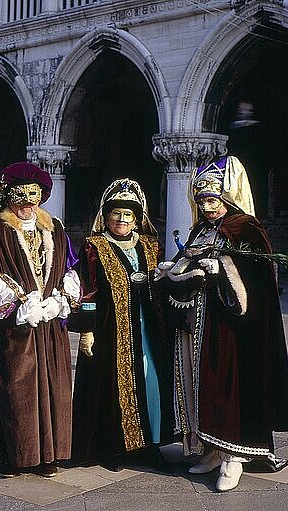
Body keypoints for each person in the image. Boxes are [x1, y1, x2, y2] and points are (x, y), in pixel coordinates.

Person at [156, 155, 288, 491]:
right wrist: (171, 270)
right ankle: (213, 449)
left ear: (225, 198)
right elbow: (185, 260)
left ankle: (235, 456)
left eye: (212, 200)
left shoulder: (245, 227)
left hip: (231, 328)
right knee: (200, 386)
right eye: (202, 201)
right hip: (195, 325)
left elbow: (259, 278)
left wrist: (221, 270)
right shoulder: (201, 229)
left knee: (227, 386)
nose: (207, 207)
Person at [0, 161, 81, 478]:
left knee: (55, 388)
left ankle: (51, 455)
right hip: (16, 330)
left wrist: (60, 299)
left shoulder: (55, 229)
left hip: (51, 328)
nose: (28, 204)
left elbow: (70, 269)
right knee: (17, 390)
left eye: (34, 196)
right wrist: (22, 306)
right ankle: (18, 455)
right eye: (21, 197)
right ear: (7, 197)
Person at [70, 178, 174, 472]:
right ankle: (112, 447)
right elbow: (86, 289)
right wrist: (87, 330)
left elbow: (162, 285)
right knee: (110, 386)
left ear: (138, 218)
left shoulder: (151, 246)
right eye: (116, 212)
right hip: (108, 331)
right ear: (105, 215)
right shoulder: (94, 247)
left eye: (129, 214)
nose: (121, 219)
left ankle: (150, 446)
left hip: (148, 330)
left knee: (151, 382)